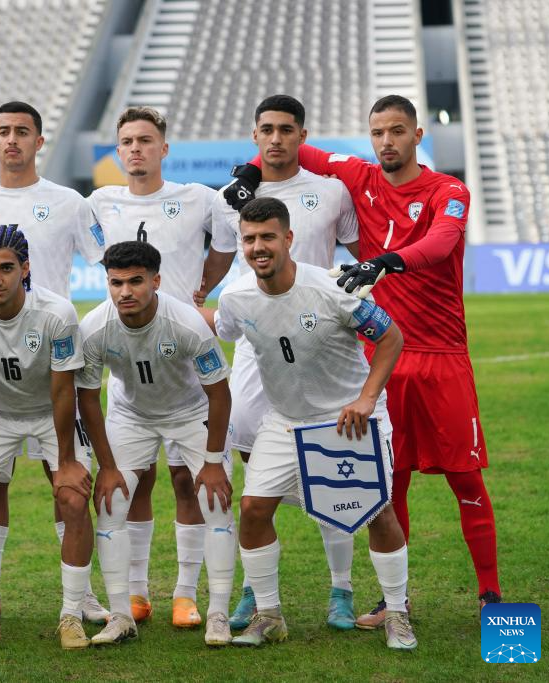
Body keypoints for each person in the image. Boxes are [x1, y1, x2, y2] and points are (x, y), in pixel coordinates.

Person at [223, 94, 502, 623]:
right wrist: (245, 170)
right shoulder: (360, 177)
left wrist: (386, 262)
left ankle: (491, 597)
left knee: (465, 478)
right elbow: (288, 150)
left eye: (398, 131)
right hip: (382, 359)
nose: (387, 142)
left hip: (441, 355)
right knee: (386, 488)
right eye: (378, 133)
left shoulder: (449, 190)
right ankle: (392, 602)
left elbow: (443, 243)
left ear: (417, 136)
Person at [209, 196, 416, 650]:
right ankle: (269, 614)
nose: (257, 247)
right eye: (249, 239)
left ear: (288, 238)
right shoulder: (237, 297)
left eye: (267, 237)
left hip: (347, 418)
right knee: (253, 510)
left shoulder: (332, 288)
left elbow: (391, 337)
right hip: (285, 421)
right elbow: (220, 327)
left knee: (377, 513)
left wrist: (366, 399)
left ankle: (397, 615)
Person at [0, 101, 107, 626]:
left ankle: (83, 595)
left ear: (39, 141)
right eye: (3, 131)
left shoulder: (69, 202)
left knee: (68, 484)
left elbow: (111, 264)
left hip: (52, 360)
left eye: (22, 132)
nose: (12, 140)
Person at [208, 95, 362, 631]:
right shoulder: (234, 197)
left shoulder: (330, 191)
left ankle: (341, 591)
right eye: (266, 130)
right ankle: (256, 588)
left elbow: (356, 254)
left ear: (303, 134)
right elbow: (224, 258)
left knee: (332, 474)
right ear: (254, 135)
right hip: (258, 347)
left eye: (286, 129)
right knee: (258, 474)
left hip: (324, 344)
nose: (275, 139)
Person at [85, 106, 228, 627]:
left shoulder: (198, 198)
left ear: (163, 148)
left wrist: (203, 292)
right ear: (118, 151)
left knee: (189, 483)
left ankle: (185, 594)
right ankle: (139, 592)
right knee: (135, 483)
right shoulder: (100, 202)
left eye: (146, 140)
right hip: (130, 379)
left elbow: (228, 245)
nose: (136, 149)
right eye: (127, 141)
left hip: (185, 362)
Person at [76, 240, 235, 647]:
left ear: (156, 281)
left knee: (213, 500)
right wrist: (107, 467)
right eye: (116, 283)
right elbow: (88, 398)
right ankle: (121, 614)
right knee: (111, 503)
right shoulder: (94, 328)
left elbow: (219, 393)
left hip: (190, 411)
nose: (125, 292)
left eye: (135, 281)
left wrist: (214, 461)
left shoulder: (186, 324)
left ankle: (216, 613)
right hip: (132, 415)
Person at [0, 226, 95, 650]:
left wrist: (66, 460)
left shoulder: (57, 314)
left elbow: (65, 390)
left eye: (6, 268)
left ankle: (71, 614)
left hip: (51, 414)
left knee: (73, 498)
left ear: (25, 269)